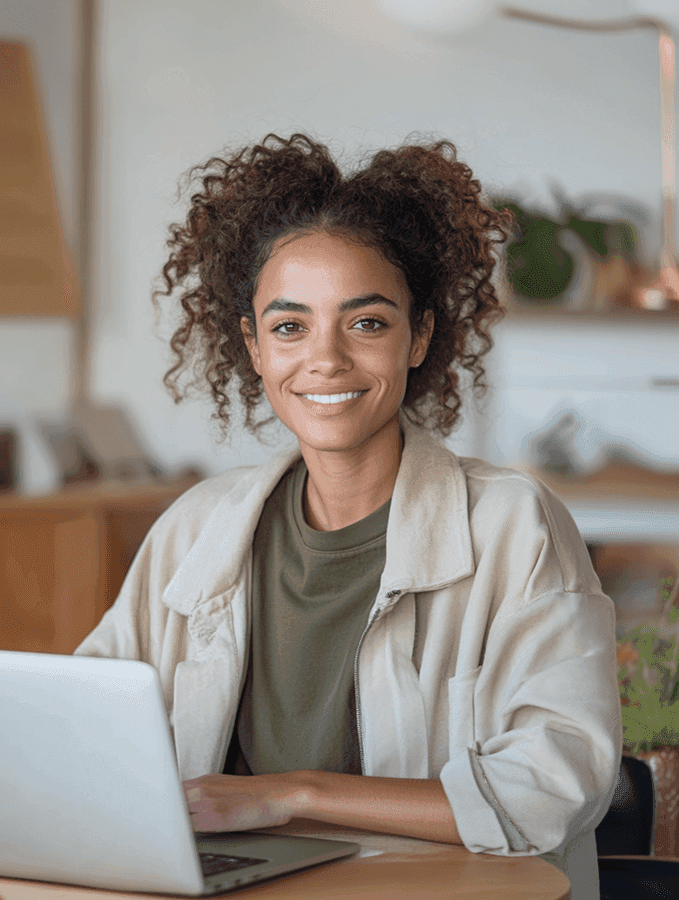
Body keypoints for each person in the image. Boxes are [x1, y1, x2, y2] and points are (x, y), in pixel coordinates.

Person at [75, 133, 622, 900]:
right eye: (289, 326)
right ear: (254, 347)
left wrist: (292, 793)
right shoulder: (194, 530)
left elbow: (555, 788)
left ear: (419, 335)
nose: (324, 359)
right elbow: (79, 732)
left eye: (365, 323)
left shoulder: (514, 527)